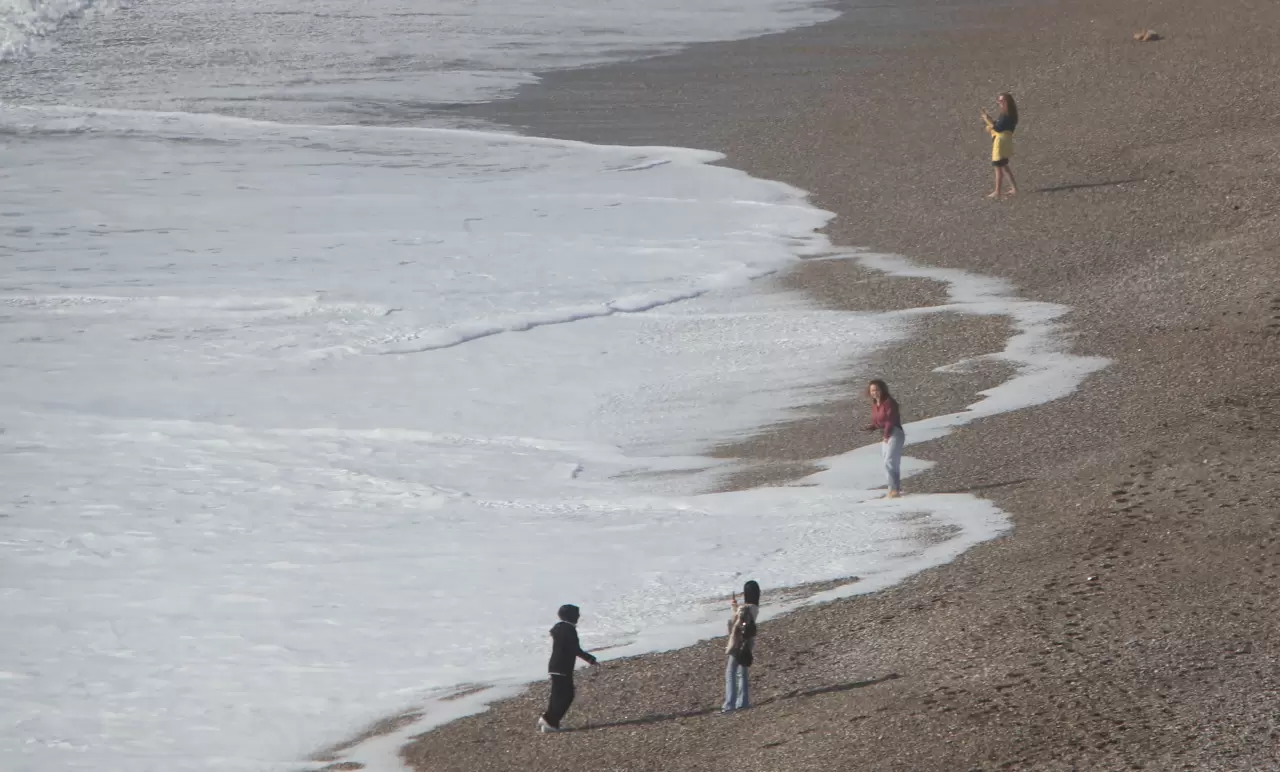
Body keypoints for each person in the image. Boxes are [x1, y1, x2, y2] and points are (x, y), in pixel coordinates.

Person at [538, 604, 598, 733]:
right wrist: (590, 659)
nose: (578, 617)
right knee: (566, 695)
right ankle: (550, 721)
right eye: (577, 614)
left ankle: (549, 720)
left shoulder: (559, 628)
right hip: (562, 667)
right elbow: (574, 648)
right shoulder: (569, 629)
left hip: (555, 666)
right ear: (571, 616)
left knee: (557, 695)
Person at [723, 580, 760, 713]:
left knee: (730, 672)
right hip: (748, 643)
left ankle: (729, 704)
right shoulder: (755, 608)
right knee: (742, 672)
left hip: (738, 643)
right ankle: (743, 701)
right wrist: (735, 607)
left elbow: (735, 621)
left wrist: (734, 607)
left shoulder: (744, 608)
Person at [865, 379, 905, 497]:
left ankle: (894, 490)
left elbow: (890, 420)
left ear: (882, 390)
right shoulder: (875, 404)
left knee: (890, 460)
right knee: (887, 462)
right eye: (872, 390)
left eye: (877, 389)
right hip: (886, 434)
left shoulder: (889, 402)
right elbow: (878, 421)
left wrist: (886, 435)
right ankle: (892, 488)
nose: (875, 392)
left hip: (895, 433)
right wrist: (872, 427)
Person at [981, 92, 1019, 198]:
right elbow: (998, 125)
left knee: (998, 167)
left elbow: (997, 128)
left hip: (1000, 143)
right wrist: (989, 120)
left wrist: (988, 120)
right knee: (1004, 166)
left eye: (1001, 101)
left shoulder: (1006, 115)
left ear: (1006, 102)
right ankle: (1014, 189)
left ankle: (997, 191)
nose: (999, 102)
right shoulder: (1010, 114)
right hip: (1005, 142)